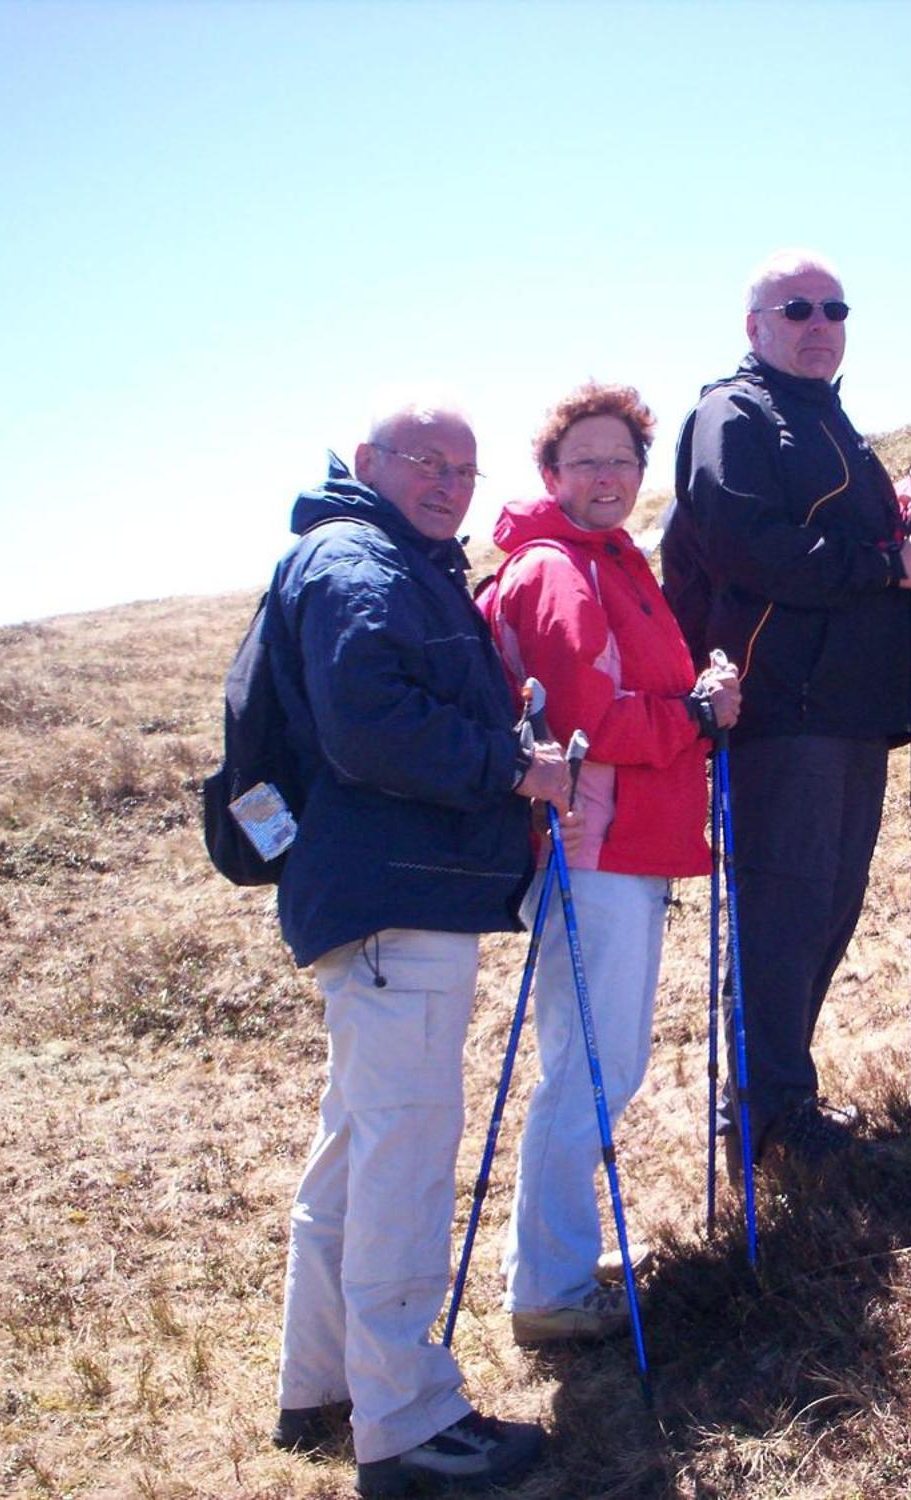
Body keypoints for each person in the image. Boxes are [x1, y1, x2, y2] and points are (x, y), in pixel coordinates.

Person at [264, 397, 563, 1497]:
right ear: (368, 462)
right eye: (423, 461)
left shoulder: (381, 561)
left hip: (377, 895)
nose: (446, 483)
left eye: (463, 469)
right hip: (398, 898)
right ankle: (409, 1429)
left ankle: (324, 1387)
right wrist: (513, 767)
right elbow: (370, 725)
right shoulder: (363, 566)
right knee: (403, 1160)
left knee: (359, 1143)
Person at [661, 249, 911, 1169]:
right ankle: (765, 1110)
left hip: (850, 704)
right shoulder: (732, 412)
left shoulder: (825, 417)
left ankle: (778, 1093)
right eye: (796, 310)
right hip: (781, 704)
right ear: (755, 327)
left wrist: (904, 526)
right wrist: (882, 562)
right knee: (787, 905)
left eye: (834, 308)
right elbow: (744, 542)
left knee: (828, 904)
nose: (819, 323)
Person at [479, 382, 740, 1345]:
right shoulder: (557, 569)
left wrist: (695, 704)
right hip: (596, 843)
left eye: (623, 460)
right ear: (550, 474)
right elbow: (590, 720)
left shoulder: (609, 560)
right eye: (586, 460)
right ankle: (545, 1287)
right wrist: (697, 718)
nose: (607, 476)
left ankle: (556, 1261)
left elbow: (642, 697)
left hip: (627, 837)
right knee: (594, 1064)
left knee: (597, 1060)